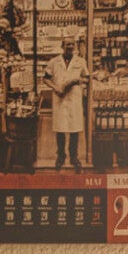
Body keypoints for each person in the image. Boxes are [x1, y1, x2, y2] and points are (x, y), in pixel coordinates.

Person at [45, 37, 88, 171]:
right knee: (60, 129)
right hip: (60, 98)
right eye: (67, 44)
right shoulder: (54, 62)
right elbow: (46, 79)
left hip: (74, 98)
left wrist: (76, 80)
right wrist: (55, 87)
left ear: (74, 46)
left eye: (72, 44)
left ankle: (74, 157)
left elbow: (86, 78)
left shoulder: (80, 61)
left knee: (75, 129)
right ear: (62, 46)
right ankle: (61, 156)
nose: (70, 46)